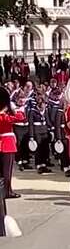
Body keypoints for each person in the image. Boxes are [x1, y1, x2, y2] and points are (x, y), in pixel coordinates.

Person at [0, 87, 25, 231]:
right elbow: (21, 117)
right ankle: (7, 191)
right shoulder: (4, 117)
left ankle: (6, 190)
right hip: (7, 144)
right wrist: (13, 108)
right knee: (7, 172)